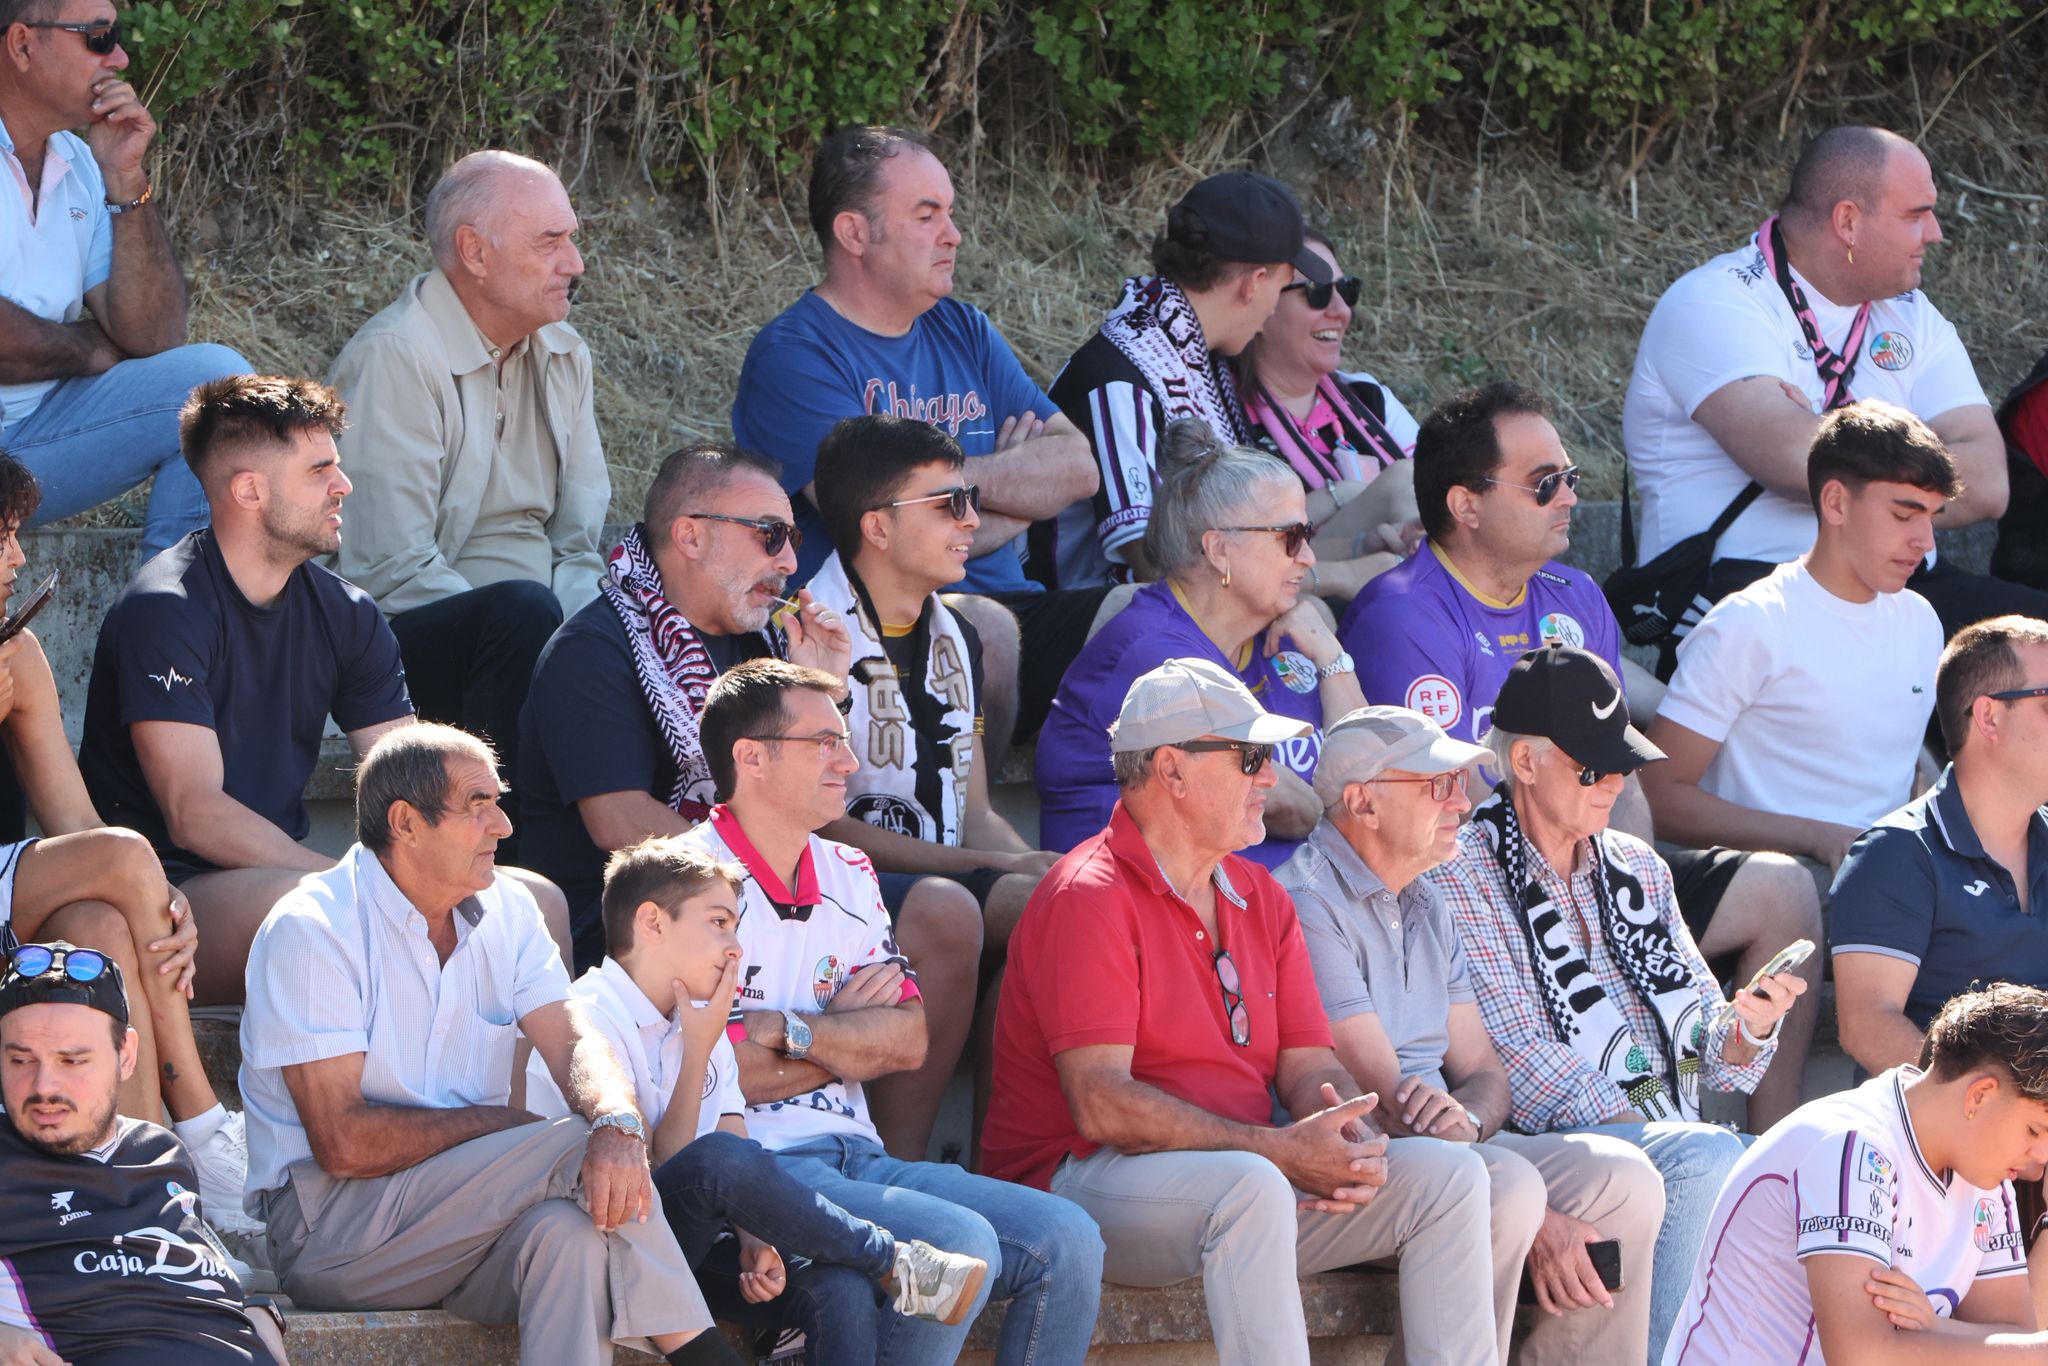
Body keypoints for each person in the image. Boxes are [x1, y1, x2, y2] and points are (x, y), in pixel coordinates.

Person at [985, 657, 1496, 1366]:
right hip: (1076, 1181)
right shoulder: (1088, 894)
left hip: (1230, 1178)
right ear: (1171, 770)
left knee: (1450, 1178)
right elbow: (1102, 1106)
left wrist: (1341, 1133)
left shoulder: (1261, 892)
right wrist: (1278, 1152)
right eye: (1252, 756)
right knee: (1251, 1186)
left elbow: (1308, 1063)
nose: (1270, 777)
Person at [1344, 383, 1821, 1128]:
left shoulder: (1574, 592)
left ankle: (1774, 1137)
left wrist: (1621, 900)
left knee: (1780, 894)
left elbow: (1613, 757)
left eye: (1571, 477)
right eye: (1545, 484)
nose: (1568, 495)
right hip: (1482, 881)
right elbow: (1440, 799)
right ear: (1465, 505)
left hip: (1589, 858)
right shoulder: (1403, 612)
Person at [518, 441, 981, 1158]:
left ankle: (888, 1161)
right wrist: (755, 892)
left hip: (756, 891)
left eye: (794, 538)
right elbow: (619, 823)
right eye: (770, 536)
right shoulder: (596, 648)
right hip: (635, 916)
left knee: (946, 913)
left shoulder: (766, 647)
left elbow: (818, 811)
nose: (791, 562)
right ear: (690, 534)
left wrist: (823, 688)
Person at [239, 724, 745, 1366]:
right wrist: (508, 1127)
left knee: (572, 1236)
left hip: (463, 1228)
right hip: (333, 1233)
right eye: (478, 805)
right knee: (571, 1141)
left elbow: (574, 1039)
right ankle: (704, 1356)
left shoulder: (507, 909)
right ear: (406, 823)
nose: (503, 824)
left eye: (497, 802)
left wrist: (617, 1117)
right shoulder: (313, 929)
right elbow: (344, 1143)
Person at [682, 658, 1106, 1365]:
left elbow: (907, 1042)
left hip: (861, 1156)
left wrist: (791, 1031)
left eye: (843, 740)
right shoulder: (684, 877)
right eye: (822, 743)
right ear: (750, 757)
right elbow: (709, 1070)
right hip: (762, 1169)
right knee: (955, 1243)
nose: (848, 761)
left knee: (1069, 1239)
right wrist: (845, 1037)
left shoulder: (850, 872)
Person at [1429, 643, 1807, 1361]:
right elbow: (1516, 1057)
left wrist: (1748, 1026)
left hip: (1648, 1125)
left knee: (1758, 1164)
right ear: (1525, 762)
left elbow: (1712, 1046)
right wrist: (1652, 1117)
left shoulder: (1638, 867)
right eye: (1592, 767)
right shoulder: (1463, 869)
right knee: (1703, 1159)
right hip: (1528, 1134)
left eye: (1623, 763)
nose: (1614, 784)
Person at [1277, 705, 1667, 1364]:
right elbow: (1376, 1096)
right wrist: (1474, 1152)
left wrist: (1473, 1122)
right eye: (1438, 784)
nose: (1463, 801)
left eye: (1461, 782)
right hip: (1371, 1154)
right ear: (1363, 804)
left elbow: (1484, 1069)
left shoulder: (1429, 898)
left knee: (1627, 1179)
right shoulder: (1307, 901)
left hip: (1447, 1141)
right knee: (1505, 1191)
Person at [525, 837, 992, 1364]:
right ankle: (889, 1258)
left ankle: (882, 1265)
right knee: (716, 1164)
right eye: (719, 923)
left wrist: (753, 1239)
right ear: (652, 923)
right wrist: (699, 1051)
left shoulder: (699, 1018)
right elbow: (668, 1174)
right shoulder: (586, 1014)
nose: (736, 949)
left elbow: (733, 1140)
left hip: (687, 1245)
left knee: (838, 1289)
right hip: (606, 1247)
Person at [732, 124, 1102, 755]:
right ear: (854, 233)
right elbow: (883, 538)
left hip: (1017, 604)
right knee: (983, 628)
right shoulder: (796, 357)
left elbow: (1077, 467)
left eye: (950, 213)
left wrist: (938, 504)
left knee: (1157, 612)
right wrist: (1017, 490)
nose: (953, 234)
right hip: (887, 630)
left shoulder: (963, 329)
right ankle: (968, 829)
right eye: (927, 215)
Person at [78, 375, 416, 1006]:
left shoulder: (349, 615)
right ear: (250, 490)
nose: (343, 487)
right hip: (166, 893)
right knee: (329, 915)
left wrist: (439, 866)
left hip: (280, 877)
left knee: (530, 904)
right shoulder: (165, 609)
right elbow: (194, 813)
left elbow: (410, 777)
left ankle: (511, 1107)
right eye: (320, 471)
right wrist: (348, 880)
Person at [1621, 124, 2026, 645]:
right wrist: (1918, 447)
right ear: (1848, 221)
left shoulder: (1913, 316)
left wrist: (1832, 435)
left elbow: (1991, 482)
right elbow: (1795, 462)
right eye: (1915, 214)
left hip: (1905, 583)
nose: (1936, 233)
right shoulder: (1713, 302)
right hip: (1756, 589)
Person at [0, 444, 254, 1230]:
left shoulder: (19, 653)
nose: (15, 555)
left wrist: (159, 908)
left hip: (16, 898)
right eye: (0, 533)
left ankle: (151, 1208)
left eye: (17, 532)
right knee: (127, 860)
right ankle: (204, 1123)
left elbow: (80, 831)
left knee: (103, 928)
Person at [806, 415, 1061, 1154]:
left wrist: (1038, 865)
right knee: (1028, 901)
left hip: (943, 878)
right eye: (947, 504)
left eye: (970, 499)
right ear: (877, 527)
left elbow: (973, 810)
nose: (972, 521)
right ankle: (908, 1161)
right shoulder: (803, 634)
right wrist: (1001, 870)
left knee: (1070, 902)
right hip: (831, 888)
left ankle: (999, 1166)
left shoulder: (959, 635)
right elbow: (816, 827)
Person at [327, 150, 609, 812]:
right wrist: (548, 651)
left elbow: (578, 545)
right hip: (406, 643)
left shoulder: (565, 353)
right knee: (519, 615)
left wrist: (581, 640)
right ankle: (510, 854)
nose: (576, 263)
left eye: (572, 239)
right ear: (474, 252)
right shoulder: (395, 356)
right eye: (550, 243)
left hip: (533, 630)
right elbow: (387, 570)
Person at [1641, 401, 1953, 873]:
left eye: (1932, 516)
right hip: (1787, 886)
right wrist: (1816, 837)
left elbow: (1895, 776)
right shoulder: (1751, 622)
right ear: (1835, 503)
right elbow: (1657, 796)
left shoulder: (1922, 620)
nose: (1926, 541)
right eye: (1905, 514)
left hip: (1894, 882)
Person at [1661, 983, 2048, 1365]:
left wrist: (1936, 1327)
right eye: (2034, 1130)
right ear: (1978, 1095)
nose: (2042, 1155)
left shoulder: (1985, 1177)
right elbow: (1862, 1355)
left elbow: (2019, 1340)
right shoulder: (1850, 1146)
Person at [1036, 420, 1362, 868]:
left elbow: (1373, 778)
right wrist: (1355, 801)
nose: (1307, 557)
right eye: (1291, 538)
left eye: (1308, 536)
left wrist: (1330, 656)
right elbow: (1304, 809)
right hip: (1139, 913)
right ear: (1219, 550)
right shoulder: (1156, 659)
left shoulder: (1284, 639)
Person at [0, 0, 248, 558]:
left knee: (220, 389)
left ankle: (168, 626)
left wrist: (125, 176)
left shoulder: (80, 161)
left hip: (37, 439)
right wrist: (86, 350)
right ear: (22, 44)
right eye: (97, 36)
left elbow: (153, 338)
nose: (120, 56)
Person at [0, 941, 286, 1364]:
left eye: (73, 1061)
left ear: (126, 1056)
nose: (45, 1087)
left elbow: (194, 1278)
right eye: (21, 1060)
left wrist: (258, 1314)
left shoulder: (161, 1152)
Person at [1046, 170, 1331, 589]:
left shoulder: (1200, 357)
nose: (1273, 310)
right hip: (1107, 626)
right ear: (1255, 283)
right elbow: (1154, 565)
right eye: (1284, 287)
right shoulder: (1120, 377)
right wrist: (1337, 578)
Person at [1832, 616, 2048, 1073]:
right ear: (1989, 716)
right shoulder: (1896, 853)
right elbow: (1868, 1024)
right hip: (1948, 1134)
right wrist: (1995, 1116)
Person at [1234, 228, 1421, 601]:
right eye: (1317, 293)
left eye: (1346, 290)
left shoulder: (1368, 398)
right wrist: (1341, 497)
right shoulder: (1223, 415)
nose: (1341, 311)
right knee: (1406, 480)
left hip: (1384, 587)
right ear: (1261, 301)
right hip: (1292, 597)